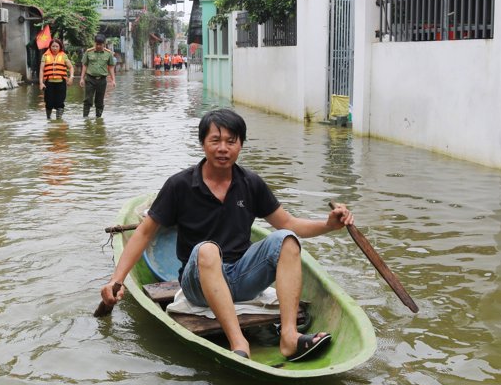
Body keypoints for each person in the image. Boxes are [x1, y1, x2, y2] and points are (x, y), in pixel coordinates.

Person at [100, 108, 354, 361]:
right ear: (203, 144)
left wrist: (328, 225)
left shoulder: (251, 183)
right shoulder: (180, 185)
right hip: (198, 284)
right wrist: (116, 281)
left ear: (240, 145)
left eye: (231, 141)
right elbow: (144, 234)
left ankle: (289, 337)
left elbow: (288, 223)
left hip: (242, 280)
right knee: (208, 250)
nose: (223, 148)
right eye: (215, 140)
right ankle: (238, 342)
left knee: (287, 239)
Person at [79, 34, 116, 118]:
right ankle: (85, 118)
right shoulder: (88, 52)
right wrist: (81, 78)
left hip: (102, 80)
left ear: (104, 44)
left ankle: (98, 118)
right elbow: (84, 65)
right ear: (94, 43)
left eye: (100, 44)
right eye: (97, 44)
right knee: (88, 100)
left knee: (99, 101)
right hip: (90, 79)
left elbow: (110, 67)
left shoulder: (108, 54)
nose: (98, 46)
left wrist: (113, 80)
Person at [39, 38, 73, 120]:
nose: (54, 48)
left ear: (60, 47)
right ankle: (48, 118)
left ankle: (59, 119)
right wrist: (41, 82)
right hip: (49, 83)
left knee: (60, 102)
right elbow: (41, 69)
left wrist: (71, 77)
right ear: (50, 47)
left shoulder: (64, 56)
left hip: (61, 83)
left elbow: (71, 67)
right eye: (53, 46)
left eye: (56, 46)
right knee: (49, 102)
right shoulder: (45, 56)